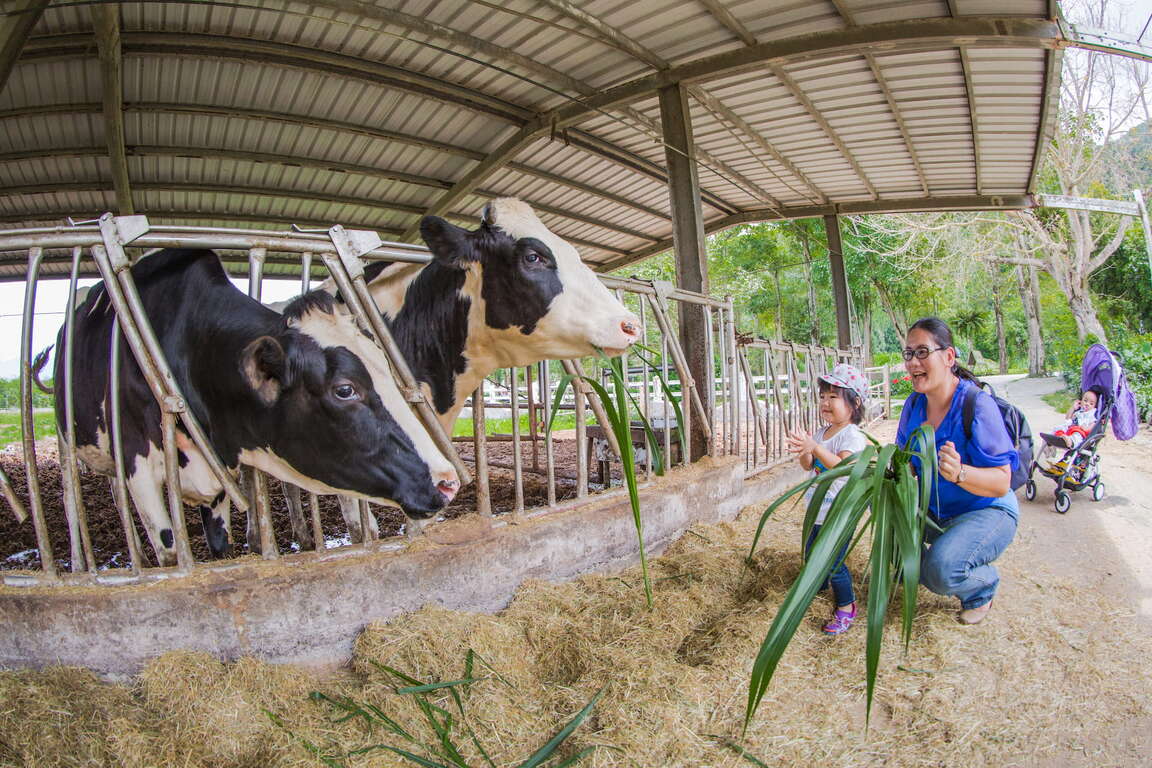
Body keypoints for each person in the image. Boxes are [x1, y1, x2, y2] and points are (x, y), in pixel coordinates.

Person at [896, 317, 1019, 625]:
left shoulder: (977, 404)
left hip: (985, 510)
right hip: (935, 510)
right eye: (909, 353)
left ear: (949, 356)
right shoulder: (913, 405)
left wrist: (960, 472)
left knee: (940, 571)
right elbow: (905, 463)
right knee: (886, 514)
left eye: (922, 352)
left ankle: (981, 587)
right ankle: (922, 567)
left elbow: (1001, 482)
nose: (913, 362)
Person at [786, 363, 869, 635]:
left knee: (833, 562)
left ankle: (846, 605)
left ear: (855, 403)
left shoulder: (852, 435)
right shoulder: (822, 433)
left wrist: (816, 448)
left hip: (839, 512)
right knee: (812, 551)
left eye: (834, 396)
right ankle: (818, 584)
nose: (825, 402)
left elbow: (844, 466)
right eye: (823, 396)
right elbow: (809, 466)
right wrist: (804, 449)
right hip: (817, 510)